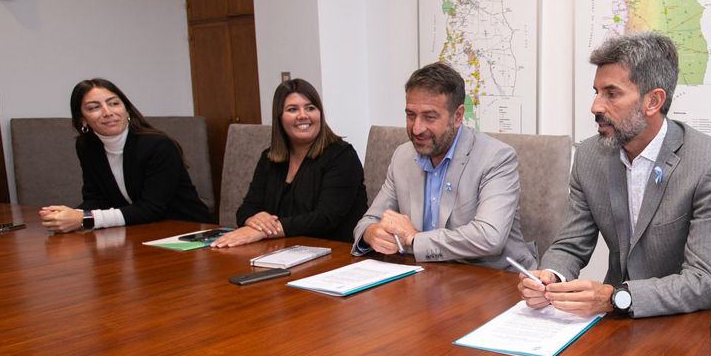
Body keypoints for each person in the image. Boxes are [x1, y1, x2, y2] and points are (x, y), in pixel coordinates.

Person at [517, 32, 711, 318]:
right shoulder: (589, 157)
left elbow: (706, 281)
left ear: (653, 101)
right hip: (623, 322)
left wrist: (617, 297)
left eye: (611, 94)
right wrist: (550, 277)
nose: (595, 107)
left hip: (695, 321)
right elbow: (571, 244)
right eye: (596, 92)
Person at [351, 62, 535, 269]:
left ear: (457, 116)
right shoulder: (402, 156)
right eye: (411, 115)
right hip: (428, 278)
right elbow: (369, 220)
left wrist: (414, 240)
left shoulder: (496, 157)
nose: (417, 128)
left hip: (492, 278)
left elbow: (489, 237)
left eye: (430, 117)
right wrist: (370, 233)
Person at [39, 78, 212, 232]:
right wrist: (66, 216)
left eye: (114, 103)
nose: (108, 112)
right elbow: (97, 198)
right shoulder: (87, 146)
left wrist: (84, 219)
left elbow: (151, 208)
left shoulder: (158, 145)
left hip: (186, 232)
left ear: (126, 109)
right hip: (138, 232)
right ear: (82, 119)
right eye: (94, 107)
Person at [212, 79, 368, 247]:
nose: (303, 115)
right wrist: (255, 219)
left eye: (310, 108)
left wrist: (266, 231)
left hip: (335, 253)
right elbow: (246, 210)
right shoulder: (269, 158)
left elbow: (325, 218)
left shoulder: (342, 156)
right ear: (279, 117)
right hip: (282, 252)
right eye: (292, 109)